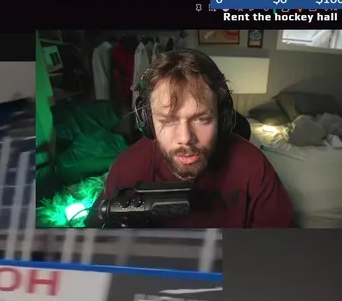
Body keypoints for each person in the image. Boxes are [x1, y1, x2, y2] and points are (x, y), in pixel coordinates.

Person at [101, 49, 294, 228]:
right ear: (148, 121)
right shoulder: (126, 171)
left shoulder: (254, 167)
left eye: (202, 119)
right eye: (168, 120)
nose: (185, 138)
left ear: (222, 118)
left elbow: (276, 246)